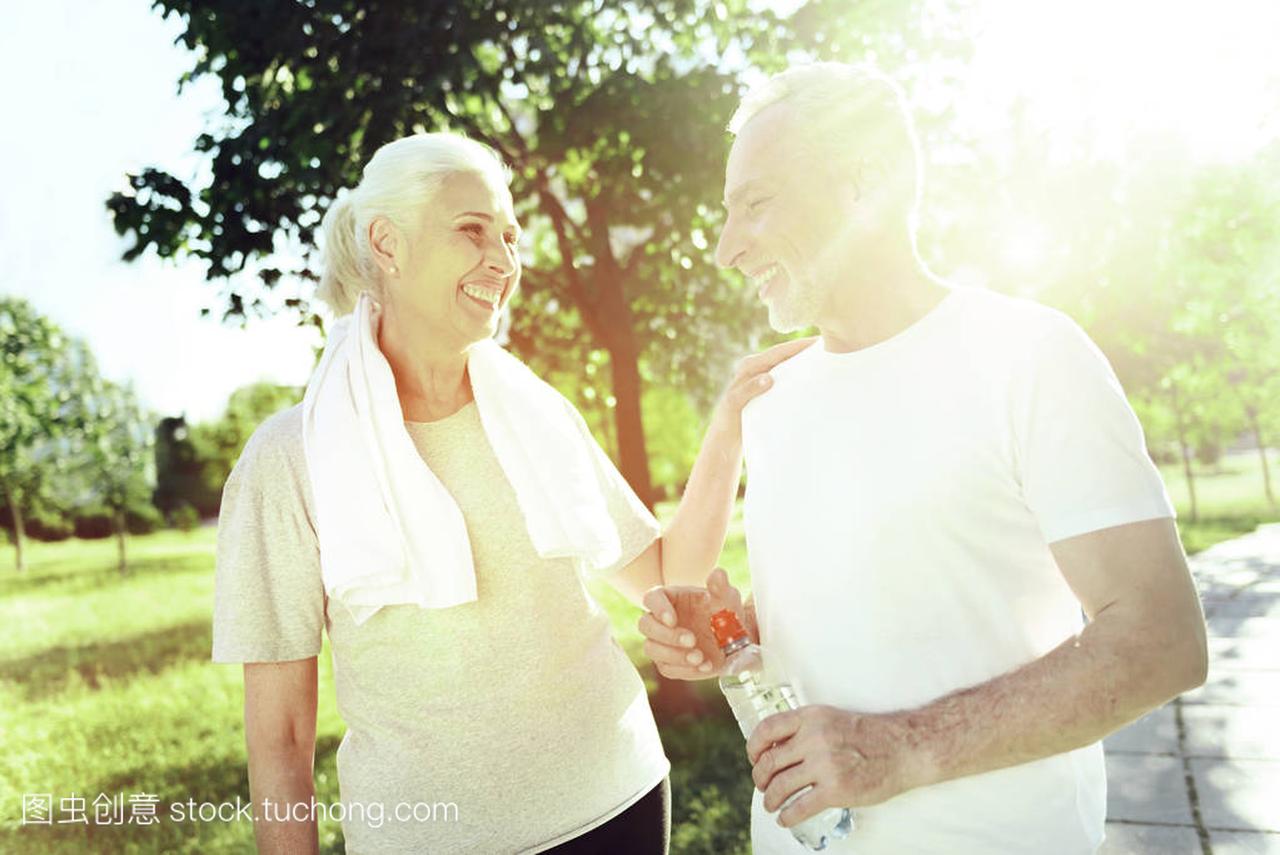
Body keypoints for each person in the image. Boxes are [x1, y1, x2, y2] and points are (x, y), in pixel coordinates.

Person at [638, 63, 1208, 854]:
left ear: (867, 181)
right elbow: (881, 604)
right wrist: (737, 635)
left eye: (755, 205)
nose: (728, 249)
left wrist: (900, 750)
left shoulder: (1030, 355)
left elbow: (1161, 638)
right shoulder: (776, 401)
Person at [211, 131, 805, 854]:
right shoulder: (288, 460)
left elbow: (665, 574)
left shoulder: (535, 413)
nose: (503, 260)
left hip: (617, 798)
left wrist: (730, 419)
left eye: (511, 236)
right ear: (387, 244)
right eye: (472, 231)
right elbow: (281, 736)